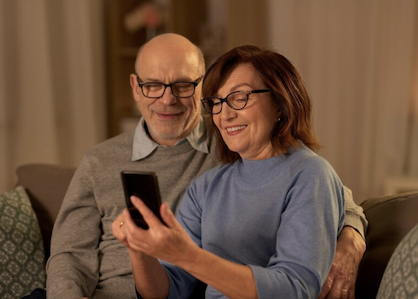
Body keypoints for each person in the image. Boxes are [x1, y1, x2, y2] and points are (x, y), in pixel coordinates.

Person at [42, 34, 366, 298]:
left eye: (182, 85)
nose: (167, 99)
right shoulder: (207, 182)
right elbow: (72, 257)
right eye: (153, 85)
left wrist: (351, 235)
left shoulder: (236, 151)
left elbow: (329, 193)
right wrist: (139, 248)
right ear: (135, 87)